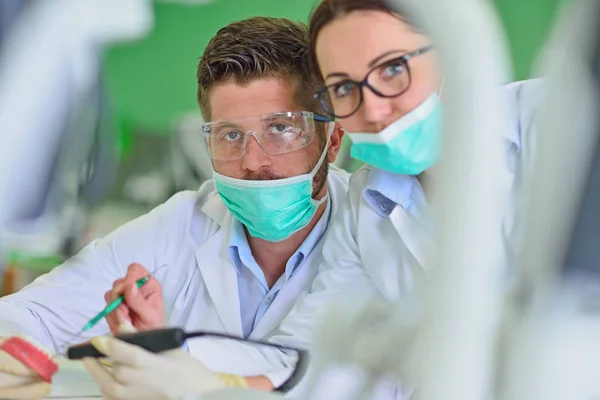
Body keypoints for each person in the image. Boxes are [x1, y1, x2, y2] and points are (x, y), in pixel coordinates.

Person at [79, 0, 544, 399]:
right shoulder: (369, 206)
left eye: (392, 70)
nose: (374, 107)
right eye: (344, 87)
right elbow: (311, 353)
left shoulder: (548, 121)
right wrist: (191, 372)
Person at [0, 16, 350, 398]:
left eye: (280, 129)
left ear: (332, 141)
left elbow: (349, 376)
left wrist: (180, 362)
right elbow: (31, 314)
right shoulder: (183, 221)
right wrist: (17, 355)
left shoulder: (374, 226)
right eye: (230, 135)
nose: (252, 161)